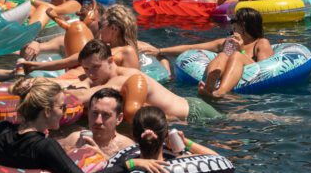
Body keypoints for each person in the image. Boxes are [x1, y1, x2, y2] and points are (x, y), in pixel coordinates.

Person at [0, 77, 167, 173]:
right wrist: (130, 165)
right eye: (61, 107)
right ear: (46, 111)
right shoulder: (45, 147)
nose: (64, 112)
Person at [60, 40, 222, 124]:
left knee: (232, 121)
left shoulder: (122, 79)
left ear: (110, 61)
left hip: (193, 113)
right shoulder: (101, 76)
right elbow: (76, 84)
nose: (90, 73)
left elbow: (83, 96)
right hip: (184, 108)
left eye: (95, 67)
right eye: (86, 69)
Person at [155, 8, 274, 99]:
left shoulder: (261, 43)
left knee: (236, 55)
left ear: (244, 25)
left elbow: (263, 70)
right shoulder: (229, 42)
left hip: (248, 73)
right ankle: (210, 85)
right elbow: (192, 47)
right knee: (223, 54)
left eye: (234, 21)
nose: (231, 25)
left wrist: (241, 49)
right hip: (227, 72)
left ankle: (220, 92)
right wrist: (160, 51)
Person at [60, 88, 134, 159]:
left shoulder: (127, 148)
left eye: (106, 115)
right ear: (88, 113)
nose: (98, 121)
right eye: (95, 113)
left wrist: (101, 157)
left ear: (119, 118)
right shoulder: (74, 140)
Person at [133, 105, 217, 160]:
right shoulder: (182, 161)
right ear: (166, 134)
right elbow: (217, 158)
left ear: (134, 136)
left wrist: (132, 164)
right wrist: (184, 142)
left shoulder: (124, 166)